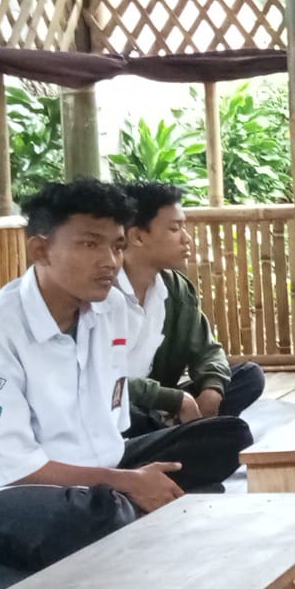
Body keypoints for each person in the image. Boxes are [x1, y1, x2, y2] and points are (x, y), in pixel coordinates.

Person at [0, 180, 252, 572]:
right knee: (90, 516)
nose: (110, 261)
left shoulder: (106, 311)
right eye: (90, 244)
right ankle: (128, 507)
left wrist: (123, 476)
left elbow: (114, 425)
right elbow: (12, 470)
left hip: (97, 471)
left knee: (226, 437)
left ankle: (128, 505)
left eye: (117, 245)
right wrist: (126, 482)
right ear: (41, 250)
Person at [117, 182, 264, 434]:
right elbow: (100, 383)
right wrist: (174, 400)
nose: (187, 239)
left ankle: (173, 433)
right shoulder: (100, 292)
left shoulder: (176, 288)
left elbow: (207, 350)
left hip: (161, 407)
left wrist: (212, 389)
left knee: (248, 375)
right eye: (175, 229)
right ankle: (174, 435)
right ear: (137, 236)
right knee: (125, 412)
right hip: (119, 408)